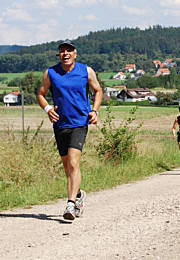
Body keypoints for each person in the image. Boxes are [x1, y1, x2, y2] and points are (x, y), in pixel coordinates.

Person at [37, 40, 103, 220]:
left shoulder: (86, 71)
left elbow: (98, 90)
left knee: (74, 163)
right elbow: (41, 94)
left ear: (75, 54)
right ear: (59, 55)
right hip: (60, 124)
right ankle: (79, 195)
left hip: (80, 123)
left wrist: (95, 111)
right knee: (67, 168)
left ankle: (70, 205)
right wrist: (48, 109)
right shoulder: (50, 73)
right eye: (61, 51)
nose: (65, 53)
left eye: (69, 51)